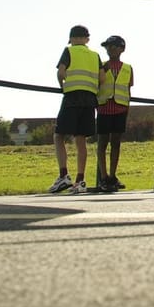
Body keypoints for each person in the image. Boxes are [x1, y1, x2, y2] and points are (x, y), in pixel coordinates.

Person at [49, 25, 99, 194]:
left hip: (72, 97)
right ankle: (80, 180)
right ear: (87, 39)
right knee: (81, 139)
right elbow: (103, 77)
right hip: (90, 99)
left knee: (59, 136)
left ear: (71, 39)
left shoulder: (69, 51)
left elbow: (61, 72)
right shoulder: (95, 55)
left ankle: (64, 175)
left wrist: (61, 86)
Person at [94, 35, 133, 192]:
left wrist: (127, 108)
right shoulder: (102, 67)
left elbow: (128, 89)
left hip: (120, 108)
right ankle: (103, 176)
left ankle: (112, 175)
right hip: (104, 108)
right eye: (108, 47)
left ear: (122, 49)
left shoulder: (127, 68)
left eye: (114, 46)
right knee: (102, 142)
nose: (111, 49)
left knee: (116, 142)